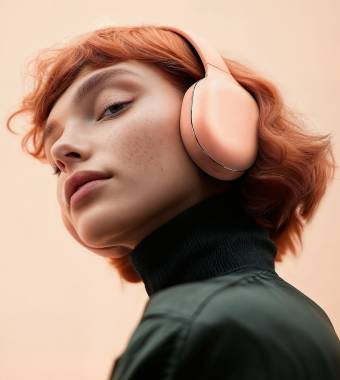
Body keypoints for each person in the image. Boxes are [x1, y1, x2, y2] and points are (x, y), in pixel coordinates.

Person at [6, 24, 340, 379]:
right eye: (56, 165)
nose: (61, 150)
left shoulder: (201, 330)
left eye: (112, 107)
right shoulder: (297, 318)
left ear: (222, 117)